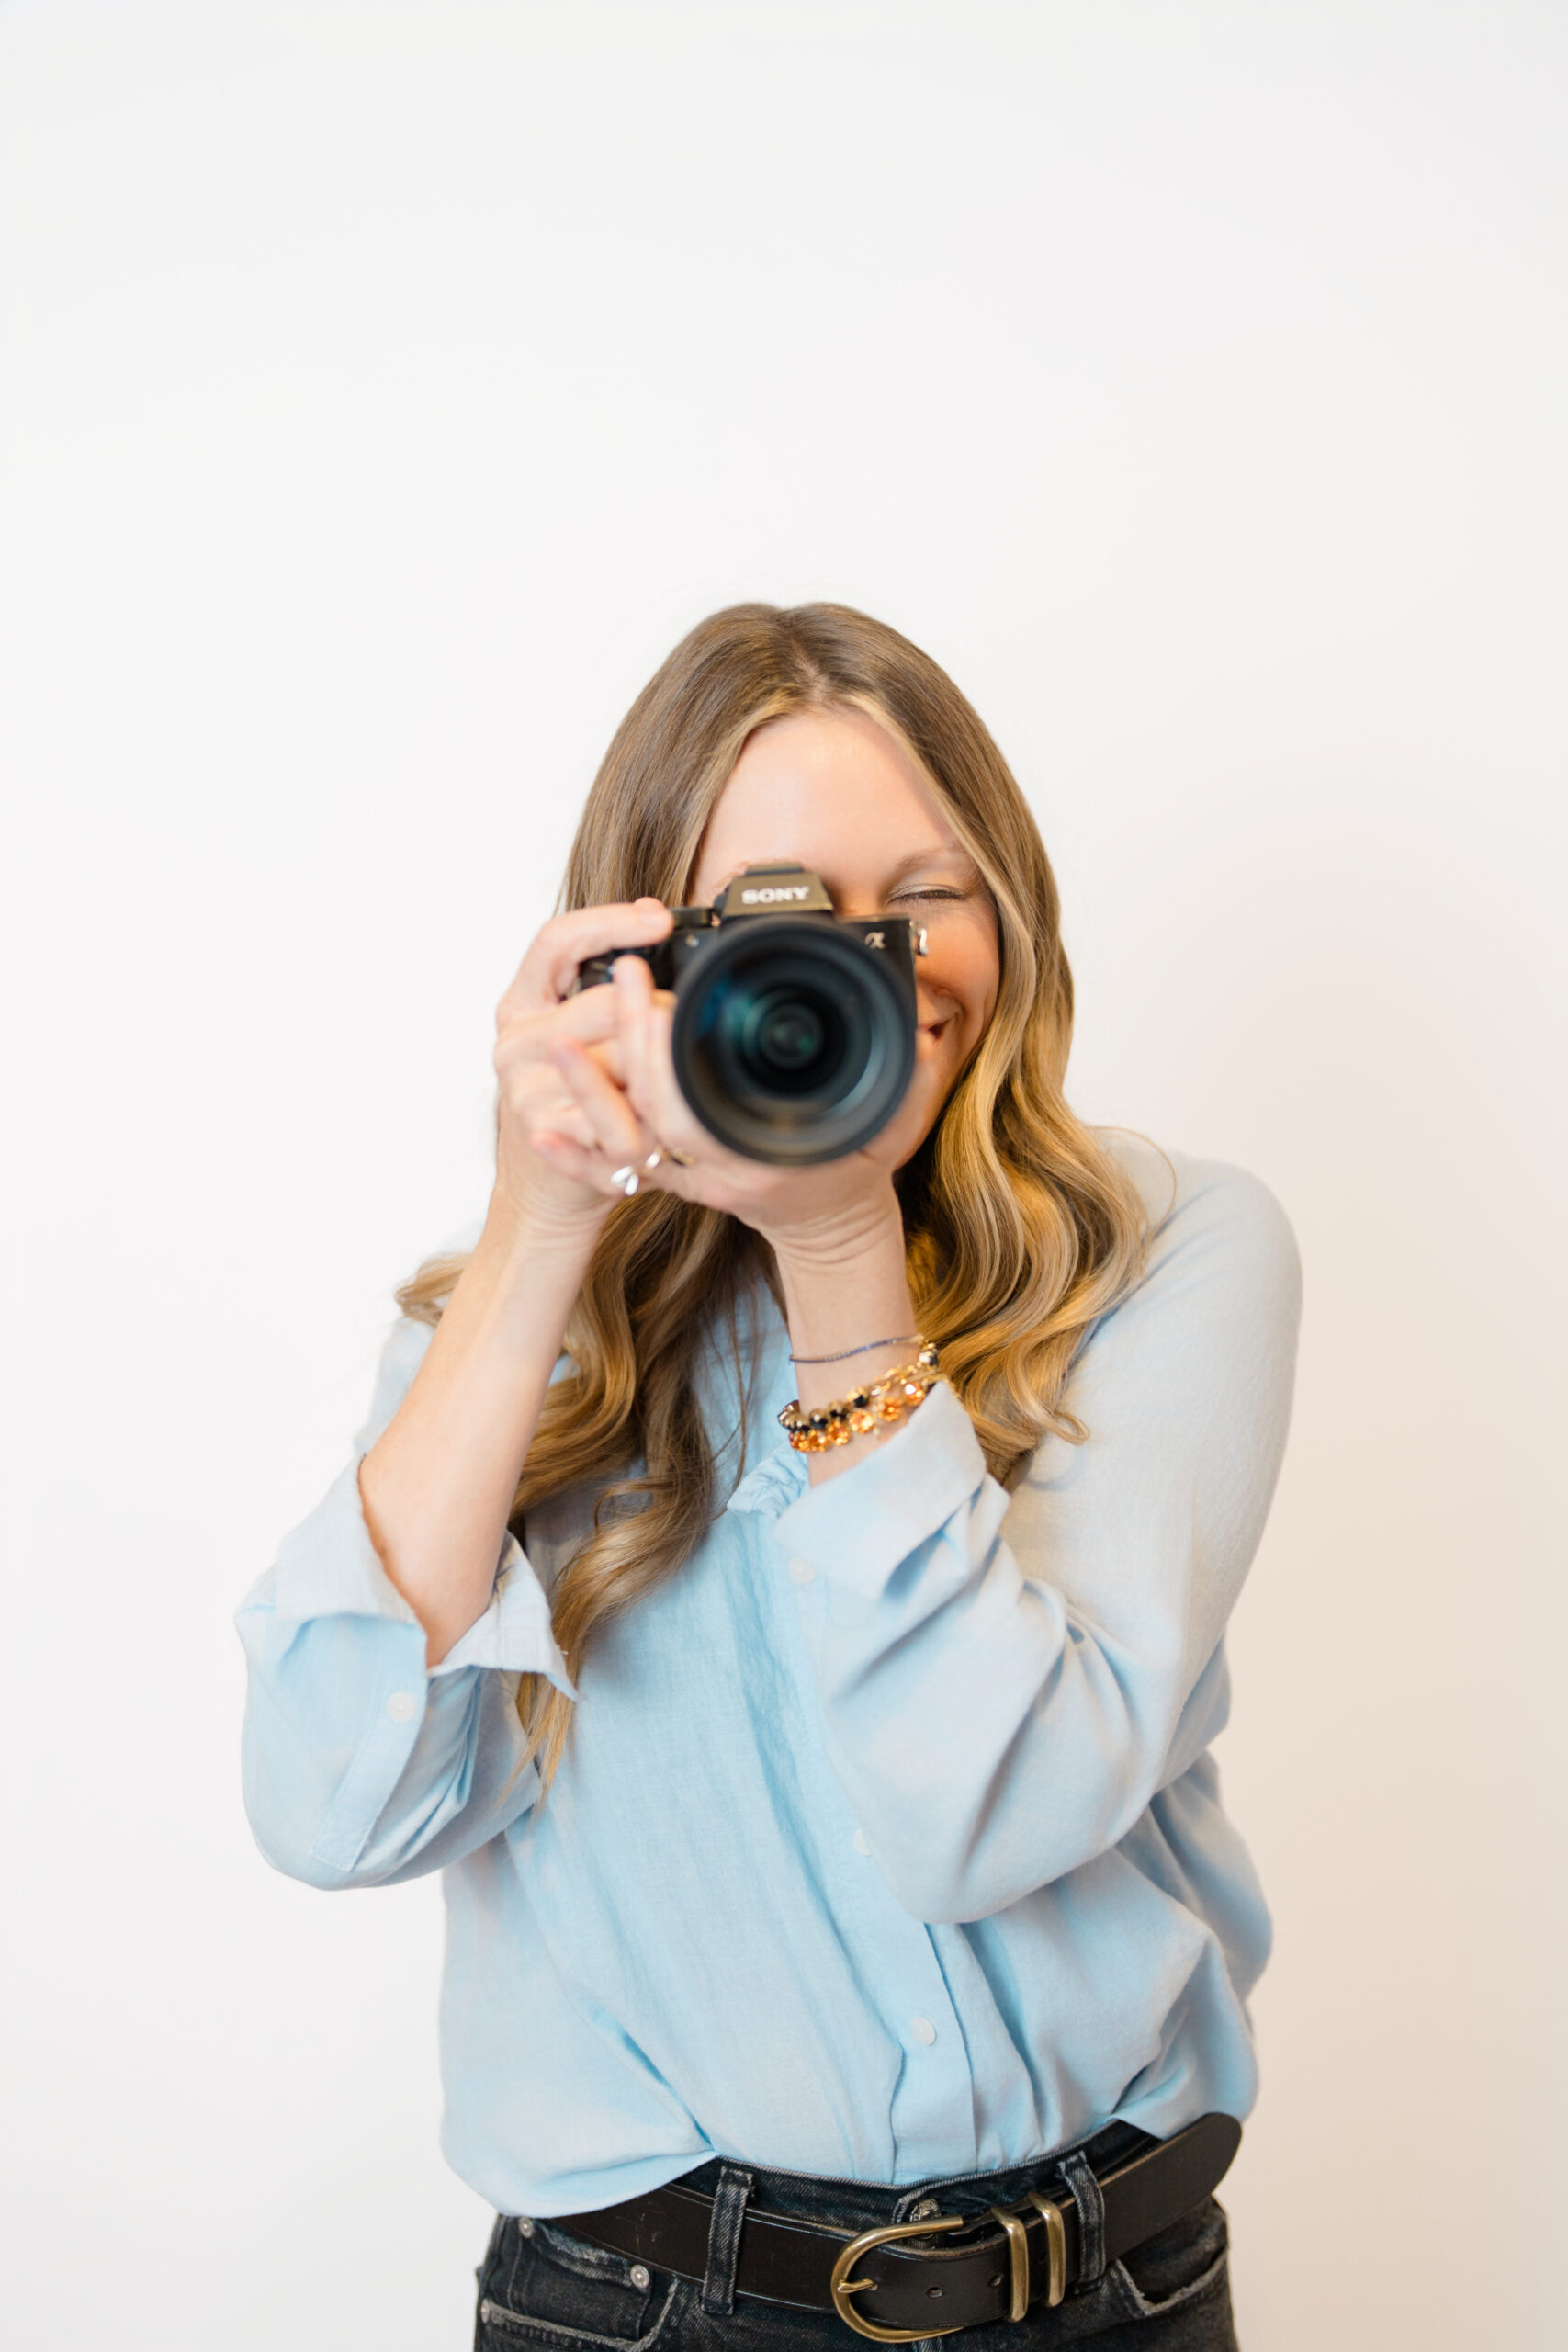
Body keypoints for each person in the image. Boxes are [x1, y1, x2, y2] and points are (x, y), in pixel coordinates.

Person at [237, 603, 1300, 2350]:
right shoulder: (532, 1319)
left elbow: (987, 1816)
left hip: (1103, 2289)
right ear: (638, 951)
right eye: (773, 916)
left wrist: (840, 1257)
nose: (865, 965)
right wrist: (538, 1226)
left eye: (922, 897)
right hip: (646, 2307)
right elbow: (331, 1808)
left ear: (1012, 911)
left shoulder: (1169, 1254)